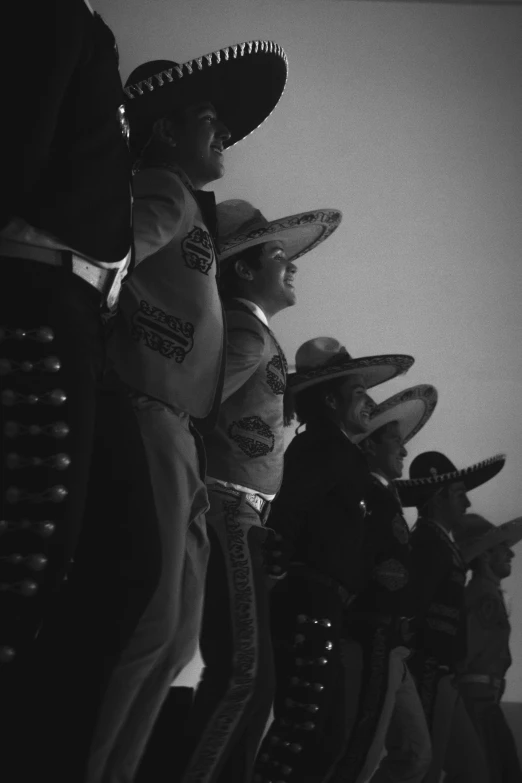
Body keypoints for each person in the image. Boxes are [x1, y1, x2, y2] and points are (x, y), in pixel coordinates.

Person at [81, 40, 289, 783]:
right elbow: (113, 251)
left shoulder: (185, 206)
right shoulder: (162, 188)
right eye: (208, 118)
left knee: (172, 638)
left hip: (181, 432)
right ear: (164, 129)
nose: (222, 134)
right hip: (150, 412)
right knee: (151, 625)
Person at [0, 1, 135, 780]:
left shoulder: (76, 19)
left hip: (73, 302)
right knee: (29, 545)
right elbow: (19, 148)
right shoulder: (49, 12)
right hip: (38, 285)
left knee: (50, 552)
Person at [178, 199, 342, 783]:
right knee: (246, 676)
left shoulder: (251, 332)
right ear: (243, 270)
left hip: (241, 513)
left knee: (249, 679)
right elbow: (191, 403)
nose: (291, 265)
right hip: (230, 507)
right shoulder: (244, 331)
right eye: (277, 254)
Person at [254, 336, 414, 783]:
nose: (369, 402)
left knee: (320, 735)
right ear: (330, 398)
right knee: (303, 732)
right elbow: (286, 516)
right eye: (358, 392)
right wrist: (276, 574)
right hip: (309, 603)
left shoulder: (339, 453)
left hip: (322, 604)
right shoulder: (324, 448)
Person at [331, 384, 437, 783]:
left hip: (392, 639)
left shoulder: (384, 496)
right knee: (362, 747)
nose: (404, 450)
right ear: (370, 446)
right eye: (395, 440)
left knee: (415, 752)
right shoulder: (362, 494)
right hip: (371, 633)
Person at [396, 450, 506, 783]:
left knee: (473, 770)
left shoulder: (440, 545)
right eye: (459, 494)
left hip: (444, 674)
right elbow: (412, 611)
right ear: (437, 498)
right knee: (423, 765)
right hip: (429, 673)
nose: (468, 503)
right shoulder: (427, 544)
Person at [454, 512, 522, 783]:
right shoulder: (483, 596)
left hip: (483, 699)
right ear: (484, 556)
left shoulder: (487, 594)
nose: (511, 555)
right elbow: (466, 653)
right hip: (478, 701)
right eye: (503, 548)